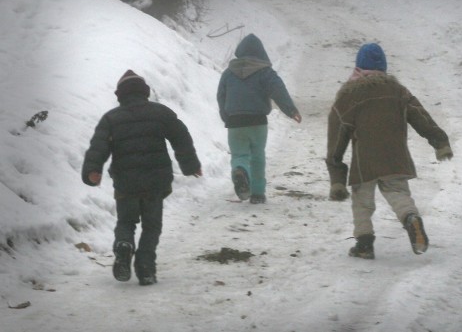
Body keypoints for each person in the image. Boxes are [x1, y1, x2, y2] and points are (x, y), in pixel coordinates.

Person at [326, 42, 453, 259]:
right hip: (395, 157)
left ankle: (364, 245)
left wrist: (337, 173)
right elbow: (420, 116)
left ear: (358, 67)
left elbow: (337, 134)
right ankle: (411, 218)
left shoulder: (349, 95)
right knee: (398, 193)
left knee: (362, 201)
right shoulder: (398, 92)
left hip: (364, 161)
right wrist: (439, 141)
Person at [82, 70, 202, 286]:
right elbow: (181, 137)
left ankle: (124, 244)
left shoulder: (111, 118)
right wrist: (190, 165)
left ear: (120, 95)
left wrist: (93, 170)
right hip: (156, 182)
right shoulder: (161, 113)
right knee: (152, 225)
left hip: (126, 182)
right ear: (145, 92)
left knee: (126, 221)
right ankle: (145, 267)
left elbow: (98, 147)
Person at [217, 33, 302, 204]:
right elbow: (278, 90)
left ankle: (240, 170)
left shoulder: (228, 73)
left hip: (235, 122)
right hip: (257, 121)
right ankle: (257, 193)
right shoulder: (265, 72)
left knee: (239, 155)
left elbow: (221, 96)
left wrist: (227, 116)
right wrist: (291, 110)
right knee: (257, 156)